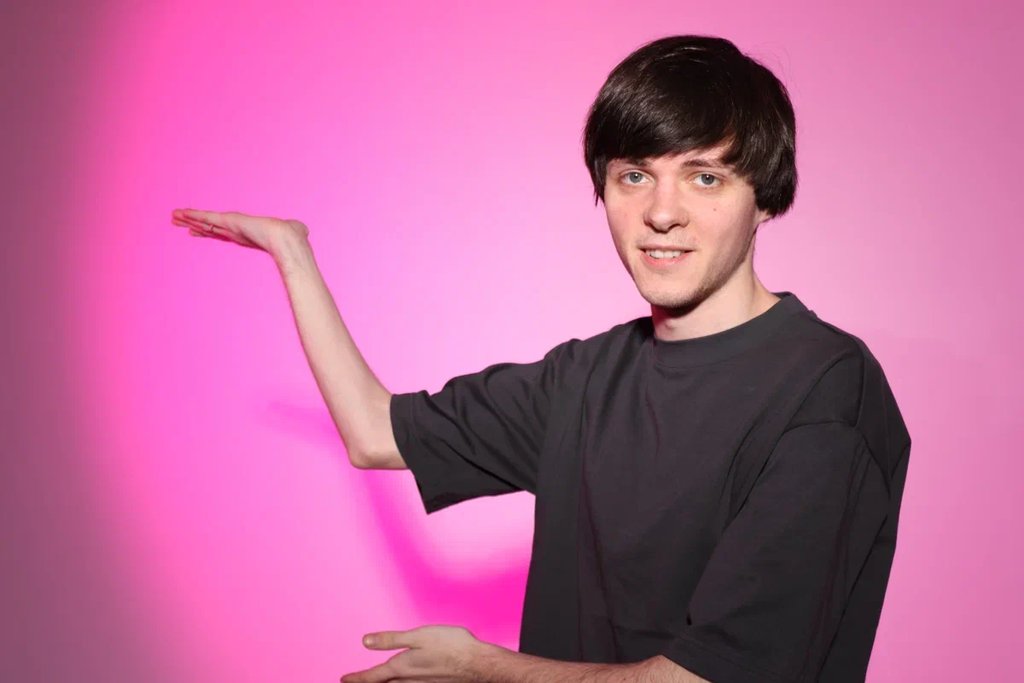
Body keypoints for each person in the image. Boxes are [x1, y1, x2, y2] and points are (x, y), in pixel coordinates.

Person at [171, 34, 911, 683]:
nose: (662, 212)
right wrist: (293, 254)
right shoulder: (583, 380)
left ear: (766, 197)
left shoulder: (825, 392)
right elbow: (373, 432)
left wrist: (483, 668)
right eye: (633, 175)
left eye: (704, 176)